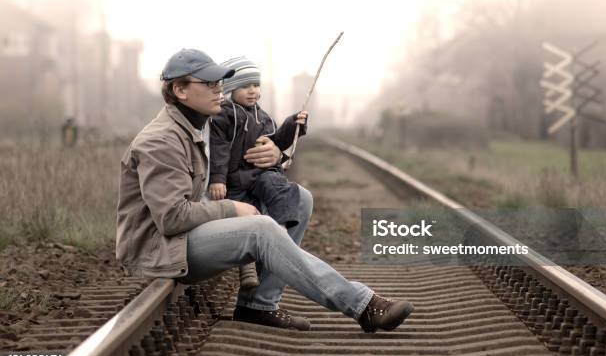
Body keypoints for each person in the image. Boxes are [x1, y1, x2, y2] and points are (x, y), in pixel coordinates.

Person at [115, 48, 414, 332]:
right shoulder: (161, 140)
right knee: (260, 230)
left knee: (300, 200)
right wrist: (234, 209)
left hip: (184, 238)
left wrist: (277, 154)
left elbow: (238, 160)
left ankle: (258, 304)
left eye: (219, 81)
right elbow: (171, 218)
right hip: (161, 248)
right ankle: (361, 305)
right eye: (208, 83)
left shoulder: (198, 126)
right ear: (180, 90)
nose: (219, 88)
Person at [208, 56, 308, 291]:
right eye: (244, 86)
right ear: (231, 89)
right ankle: (247, 266)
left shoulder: (263, 117)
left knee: (282, 188)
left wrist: (294, 125)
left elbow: (277, 141)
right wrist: (217, 179)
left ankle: (281, 228)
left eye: (255, 85)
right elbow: (218, 150)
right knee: (248, 214)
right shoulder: (225, 114)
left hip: (260, 175)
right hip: (236, 178)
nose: (252, 91)